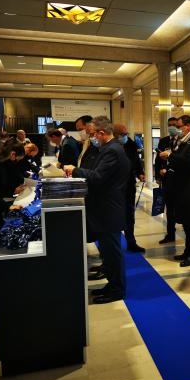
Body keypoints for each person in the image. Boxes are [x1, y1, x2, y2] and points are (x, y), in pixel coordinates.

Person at [64, 116, 130, 304]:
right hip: (104, 207)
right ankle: (112, 284)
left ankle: (117, 290)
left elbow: (98, 176)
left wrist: (74, 170)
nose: (92, 138)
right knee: (108, 254)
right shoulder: (108, 148)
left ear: (102, 133)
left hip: (108, 209)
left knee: (112, 253)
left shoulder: (112, 150)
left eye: (94, 134)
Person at [159, 115, 190, 267]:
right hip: (182, 187)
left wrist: (170, 155)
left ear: (188, 126)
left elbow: (187, 161)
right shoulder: (184, 141)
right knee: (186, 222)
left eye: (179, 126)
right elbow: (179, 159)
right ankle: (188, 251)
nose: (177, 129)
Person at [113, 123, 146, 253]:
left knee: (129, 215)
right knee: (114, 215)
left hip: (128, 185)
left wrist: (140, 172)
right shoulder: (109, 146)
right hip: (114, 187)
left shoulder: (130, 144)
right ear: (115, 134)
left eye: (126, 134)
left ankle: (131, 242)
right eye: (122, 134)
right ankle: (114, 246)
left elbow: (136, 160)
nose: (125, 136)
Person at [155, 117, 179, 244]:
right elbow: (158, 159)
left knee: (179, 207)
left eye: (175, 125)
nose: (172, 127)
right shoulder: (163, 141)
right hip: (166, 179)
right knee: (169, 208)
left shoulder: (182, 141)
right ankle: (170, 233)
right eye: (170, 125)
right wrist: (158, 175)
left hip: (179, 179)